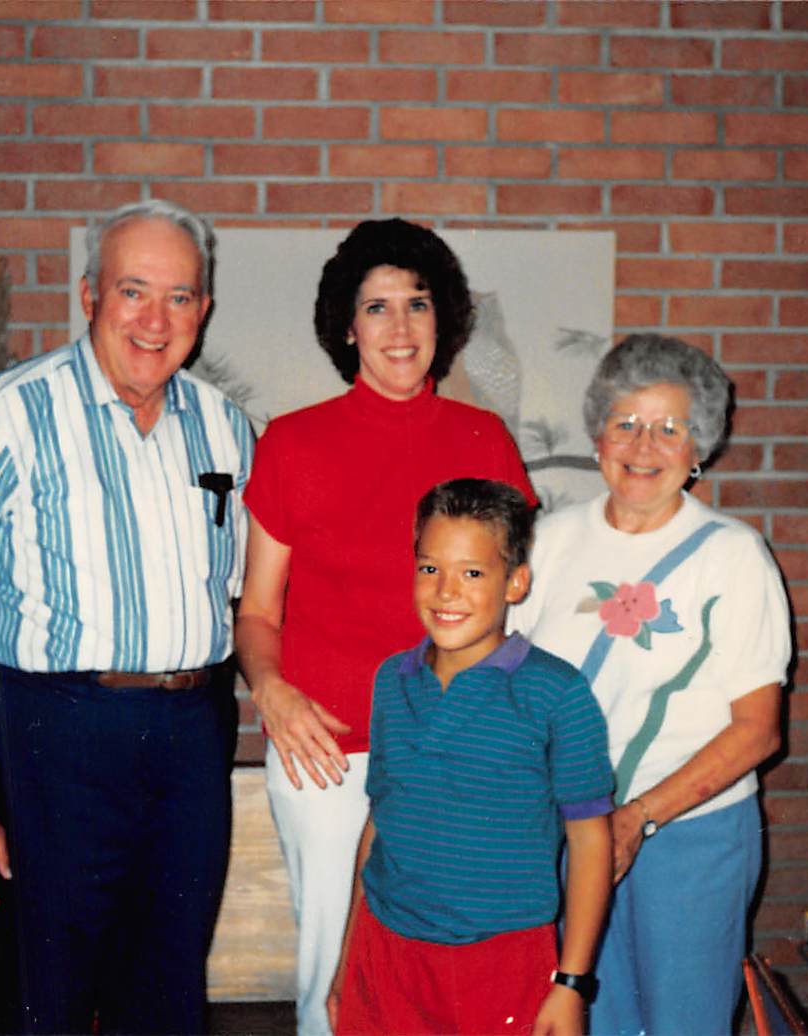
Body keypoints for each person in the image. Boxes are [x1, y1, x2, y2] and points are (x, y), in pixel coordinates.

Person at [0, 200, 254, 1035]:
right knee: (43, 999)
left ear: (203, 309)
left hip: (191, 736)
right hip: (50, 736)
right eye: (133, 291)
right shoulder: (3, 416)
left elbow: (239, 598)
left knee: (168, 998)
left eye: (179, 297)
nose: (155, 320)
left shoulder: (226, 428)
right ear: (90, 295)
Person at [235, 219, 537, 1036]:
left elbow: (510, 606)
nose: (400, 327)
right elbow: (257, 610)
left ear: (444, 319)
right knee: (334, 979)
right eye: (377, 307)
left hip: (458, 748)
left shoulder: (483, 440)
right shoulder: (294, 442)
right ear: (347, 326)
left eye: (417, 303)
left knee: (447, 968)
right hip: (328, 749)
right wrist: (273, 691)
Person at [510, 333, 791, 1036]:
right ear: (598, 435)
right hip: (570, 832)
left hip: (690, 835)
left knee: (684, 1023)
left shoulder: (734, 556)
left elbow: (758, 729)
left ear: (700, 448)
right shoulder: (548, 540)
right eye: (627, 423)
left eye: (670, 428)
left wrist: (638, 817)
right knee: (587, 1019)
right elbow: (508, 682)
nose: (644, 446)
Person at [327, 478, 614, 1035]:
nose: (446, 592)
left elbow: (590, 840)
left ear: (516, 582)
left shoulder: (557, 693)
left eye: (473, 573)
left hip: (504, 962)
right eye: (430, 568)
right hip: (387, 953)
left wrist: (571, 983)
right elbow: (378, 824)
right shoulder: (392, 680)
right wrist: (345, 962)